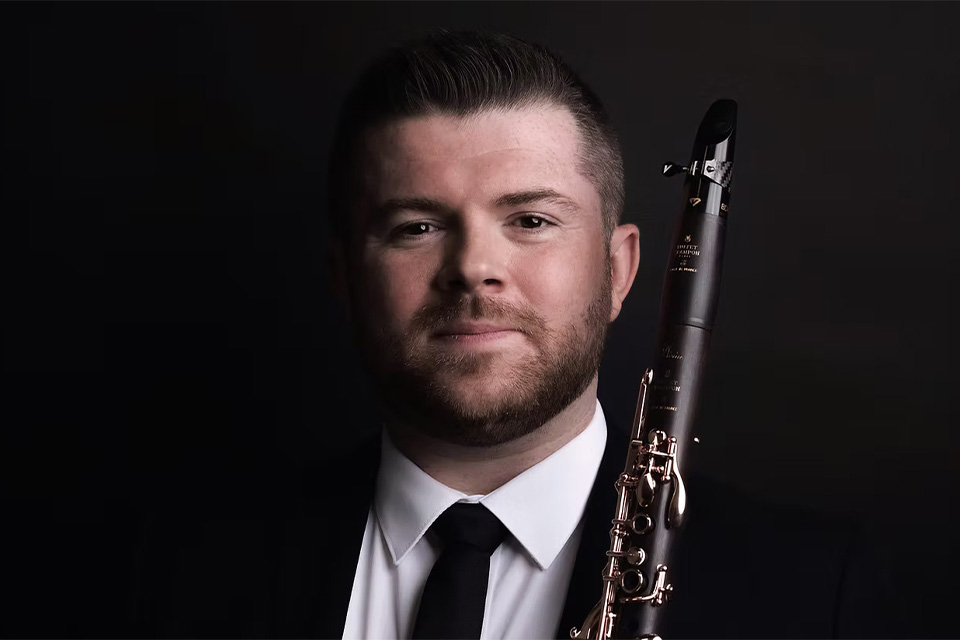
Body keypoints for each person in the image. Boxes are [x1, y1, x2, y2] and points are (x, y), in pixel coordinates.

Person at [131, 30, 901, 639]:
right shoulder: (179, 577)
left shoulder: (815, 595)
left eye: (531, 220)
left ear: (619, 270)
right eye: (417, 226)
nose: (473, 269)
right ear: (344, 279)